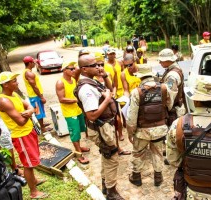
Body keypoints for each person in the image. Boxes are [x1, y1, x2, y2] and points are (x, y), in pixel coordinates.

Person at [75, 54, 124, 200]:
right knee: (112, 157)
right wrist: (107, 99)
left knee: (106, 154)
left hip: (106, 126)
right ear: (84, 69)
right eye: (94, 65)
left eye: (98, 64)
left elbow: (110, 89)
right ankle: (111, 192)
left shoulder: (93, 82)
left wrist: (105, 76)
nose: (98, 67)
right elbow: (92, 115)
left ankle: (105, 184)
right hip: (101, 128)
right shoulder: (86, 89)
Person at [0, 71, 48, 199]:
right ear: (6, 84)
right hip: (21, 135)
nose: (17, 82)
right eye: (14, 81)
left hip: (28, 131)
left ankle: (34, 181)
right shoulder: (4, 101)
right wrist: (31, 111)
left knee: (32, 160)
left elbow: (28, 105)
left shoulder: (13, 94)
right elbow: (20, 121)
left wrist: (30, 110)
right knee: (28, 164)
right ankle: (33, 192)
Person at [127, 64, 171, 187]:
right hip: (159, 129)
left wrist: (130, 132)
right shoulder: (164, 88)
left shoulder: (136, 92)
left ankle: (136, 177)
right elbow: (169, 105)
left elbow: (131, 117)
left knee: (138, 153)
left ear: (140, 77)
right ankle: (158, 177)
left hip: (142, 131)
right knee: (157, 152)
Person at [55, 61, 90, 164]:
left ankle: (79, 147)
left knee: (78, 131)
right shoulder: (60, 82)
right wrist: (76, 100)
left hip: (77, 110)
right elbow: (61, 99)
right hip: (70, 113)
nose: (73, 70)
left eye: (73, 68)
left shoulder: (73, 80)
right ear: (64, 70)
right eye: (71, 69)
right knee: (74, 133)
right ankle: (78, 153)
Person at [22, 56, 52, 134]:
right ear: (29, 63)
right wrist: (41, 97)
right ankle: (42, 128)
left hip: (35, 96)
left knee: (40, 111)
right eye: (33, 62)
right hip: (35, 96)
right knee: (38, 112)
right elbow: (34, 87)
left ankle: (42, 124)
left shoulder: (27, 71)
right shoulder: (28, 73)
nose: (35, 64)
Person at [158, 48, 186, 126]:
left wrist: (164, 110)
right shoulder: (175, 68)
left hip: (173, 112)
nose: (160, 62)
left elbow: (170, 96)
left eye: (161, 60)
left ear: (168, 60)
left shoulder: (172, 76)